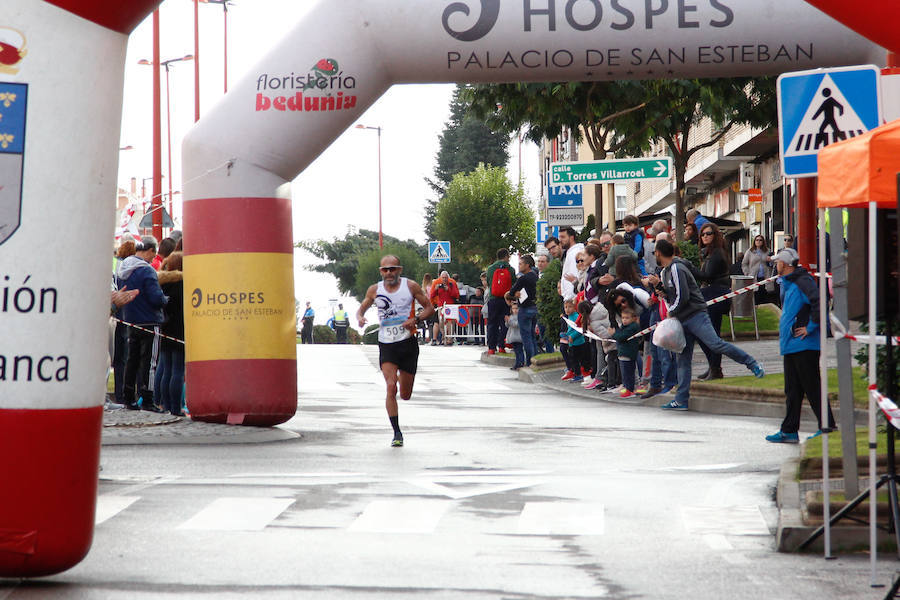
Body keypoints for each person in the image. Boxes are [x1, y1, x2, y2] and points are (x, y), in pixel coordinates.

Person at [648, 239, 765, 411]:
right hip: (682, 318)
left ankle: (751, 363)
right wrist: (661, 289)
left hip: (695, 315)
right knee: (683, 358)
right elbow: (672, 296)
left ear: (658, 252)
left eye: (654, 253)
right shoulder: (665, 272)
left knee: (715, 344)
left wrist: (671, 312)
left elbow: (683, 296)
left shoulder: (676, 268)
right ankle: (681, 399)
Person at [356, 255, 434, 447]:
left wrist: (415, 320)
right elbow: (361, 309)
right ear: (380, 272)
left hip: (407, 344)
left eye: (392, 269)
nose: (389, 273)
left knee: (405, 395)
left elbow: (429, 308)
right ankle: (397, 432)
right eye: (385, 270)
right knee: (391, 387)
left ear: (399, 269)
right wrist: (360, 318)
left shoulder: (411, 286)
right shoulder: (375, 290)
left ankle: (400, 376)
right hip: (386, 344)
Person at [766, 248, 836, 443]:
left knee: (812, 387)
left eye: (778, 261)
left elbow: (820, 302)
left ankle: (827, 426)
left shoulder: (802, 281)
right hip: (793, 345)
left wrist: (810, 327)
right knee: (793, 389)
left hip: (804, 345)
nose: (775, 264)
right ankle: (789, 430)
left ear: (786, 264)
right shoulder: (791, 282)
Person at [117, 236, 168, 412]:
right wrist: (165, 299)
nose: (153, 258)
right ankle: (148, 398)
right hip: (150, 320)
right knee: (150, 362)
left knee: (131, 360)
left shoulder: (123, 268)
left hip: (131, 320)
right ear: (150, 251)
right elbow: (156, 298)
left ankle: (128, 397)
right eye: (153, 254)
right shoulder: (146, 270)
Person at [694, 222, 732, 381]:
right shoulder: (709, 253)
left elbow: (707, 275)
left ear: (715, 235)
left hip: (716, 294)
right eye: (702, 234)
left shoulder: (717, 253)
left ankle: (715, 368)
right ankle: (713, 366)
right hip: (711, 293)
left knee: (711, 333)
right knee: (704, 333)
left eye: (708, 233)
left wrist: (689, 268)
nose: (705, 236)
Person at [155, 252, 185, 416]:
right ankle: (175, 407)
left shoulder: (161, 282)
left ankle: (165, 405)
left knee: (166, 369)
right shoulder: (183, 284)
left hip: (164, 329)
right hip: (179, 330)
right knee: (178, 371)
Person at [506, 254, 539, 366]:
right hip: (535, 307)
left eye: (521, 264)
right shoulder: (535, 276)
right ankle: (535, 359)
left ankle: (529, 361)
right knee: (532, 336)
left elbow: (511, 292)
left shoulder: (523, 278)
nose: (519, 266)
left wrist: (515, 294)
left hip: (525, 308)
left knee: (526, 337)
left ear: (527, 265)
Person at [485, 249, 515, 354]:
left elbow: (488, 283)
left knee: (492, 323)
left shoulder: (490, 269)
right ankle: (502, 346)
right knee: (504, 323)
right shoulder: (510, 269)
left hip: (493, 299)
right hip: (506, 299)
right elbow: (513, 283)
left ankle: (491, 348)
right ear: (506, 256)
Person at [608, 307, 642, 398]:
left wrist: (613, 334)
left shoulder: (631, 328)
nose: (624, 320)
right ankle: (627, 387)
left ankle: (629, 389)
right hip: (623, 353)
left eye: (627, 318)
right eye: (623, 318)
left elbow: (622, 336)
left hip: (628, 353)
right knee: (625, 373)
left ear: (633, 318)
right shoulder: (625, 327)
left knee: (628, 373)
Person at [742, 234, 775, 304]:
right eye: (757, 240)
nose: (758, 241)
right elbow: (744, 264)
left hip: (765, 277)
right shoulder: (750, 251)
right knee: (755, 296)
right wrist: (747, 273)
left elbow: (772, 264)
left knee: (764, 296)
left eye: (760, 240)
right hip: (754, 277)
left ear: (763, 242)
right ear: (754, 241)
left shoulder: (768, 251)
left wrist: (770, 261)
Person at [430, 271, 460, 346]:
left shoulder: (451, 284)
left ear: (448, 278)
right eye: (443, 278)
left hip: (450, 306)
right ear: (440, 278)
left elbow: (456, 295)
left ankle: (450, 339)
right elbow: (432, 295)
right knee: (441, 323)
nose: (444, 279)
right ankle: (444, 338)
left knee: (450, 323)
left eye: (445, 278)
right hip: (441, 306)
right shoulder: (438, 284)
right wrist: (435, 289)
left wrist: (448, 290)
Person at [558, 226, 584, 302]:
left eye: (563, 237)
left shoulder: (574, 253)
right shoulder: (570, 252)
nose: (560, 240)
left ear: (571, 238)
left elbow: (573, 276)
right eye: (559, 237)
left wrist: (570, 298)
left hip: (572, 299)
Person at [505, 302, 524, 370]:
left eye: (516, 308)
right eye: (513, 308)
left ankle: (521, 363)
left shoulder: (520, 316)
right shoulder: (511, 316)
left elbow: (516, 324)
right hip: (513, 336)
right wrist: (507, 321)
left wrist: (509, 321)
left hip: (519, 336)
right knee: (516, 351)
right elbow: (507, 326)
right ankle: (517, 363)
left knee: (519, 350)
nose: (515, 310)